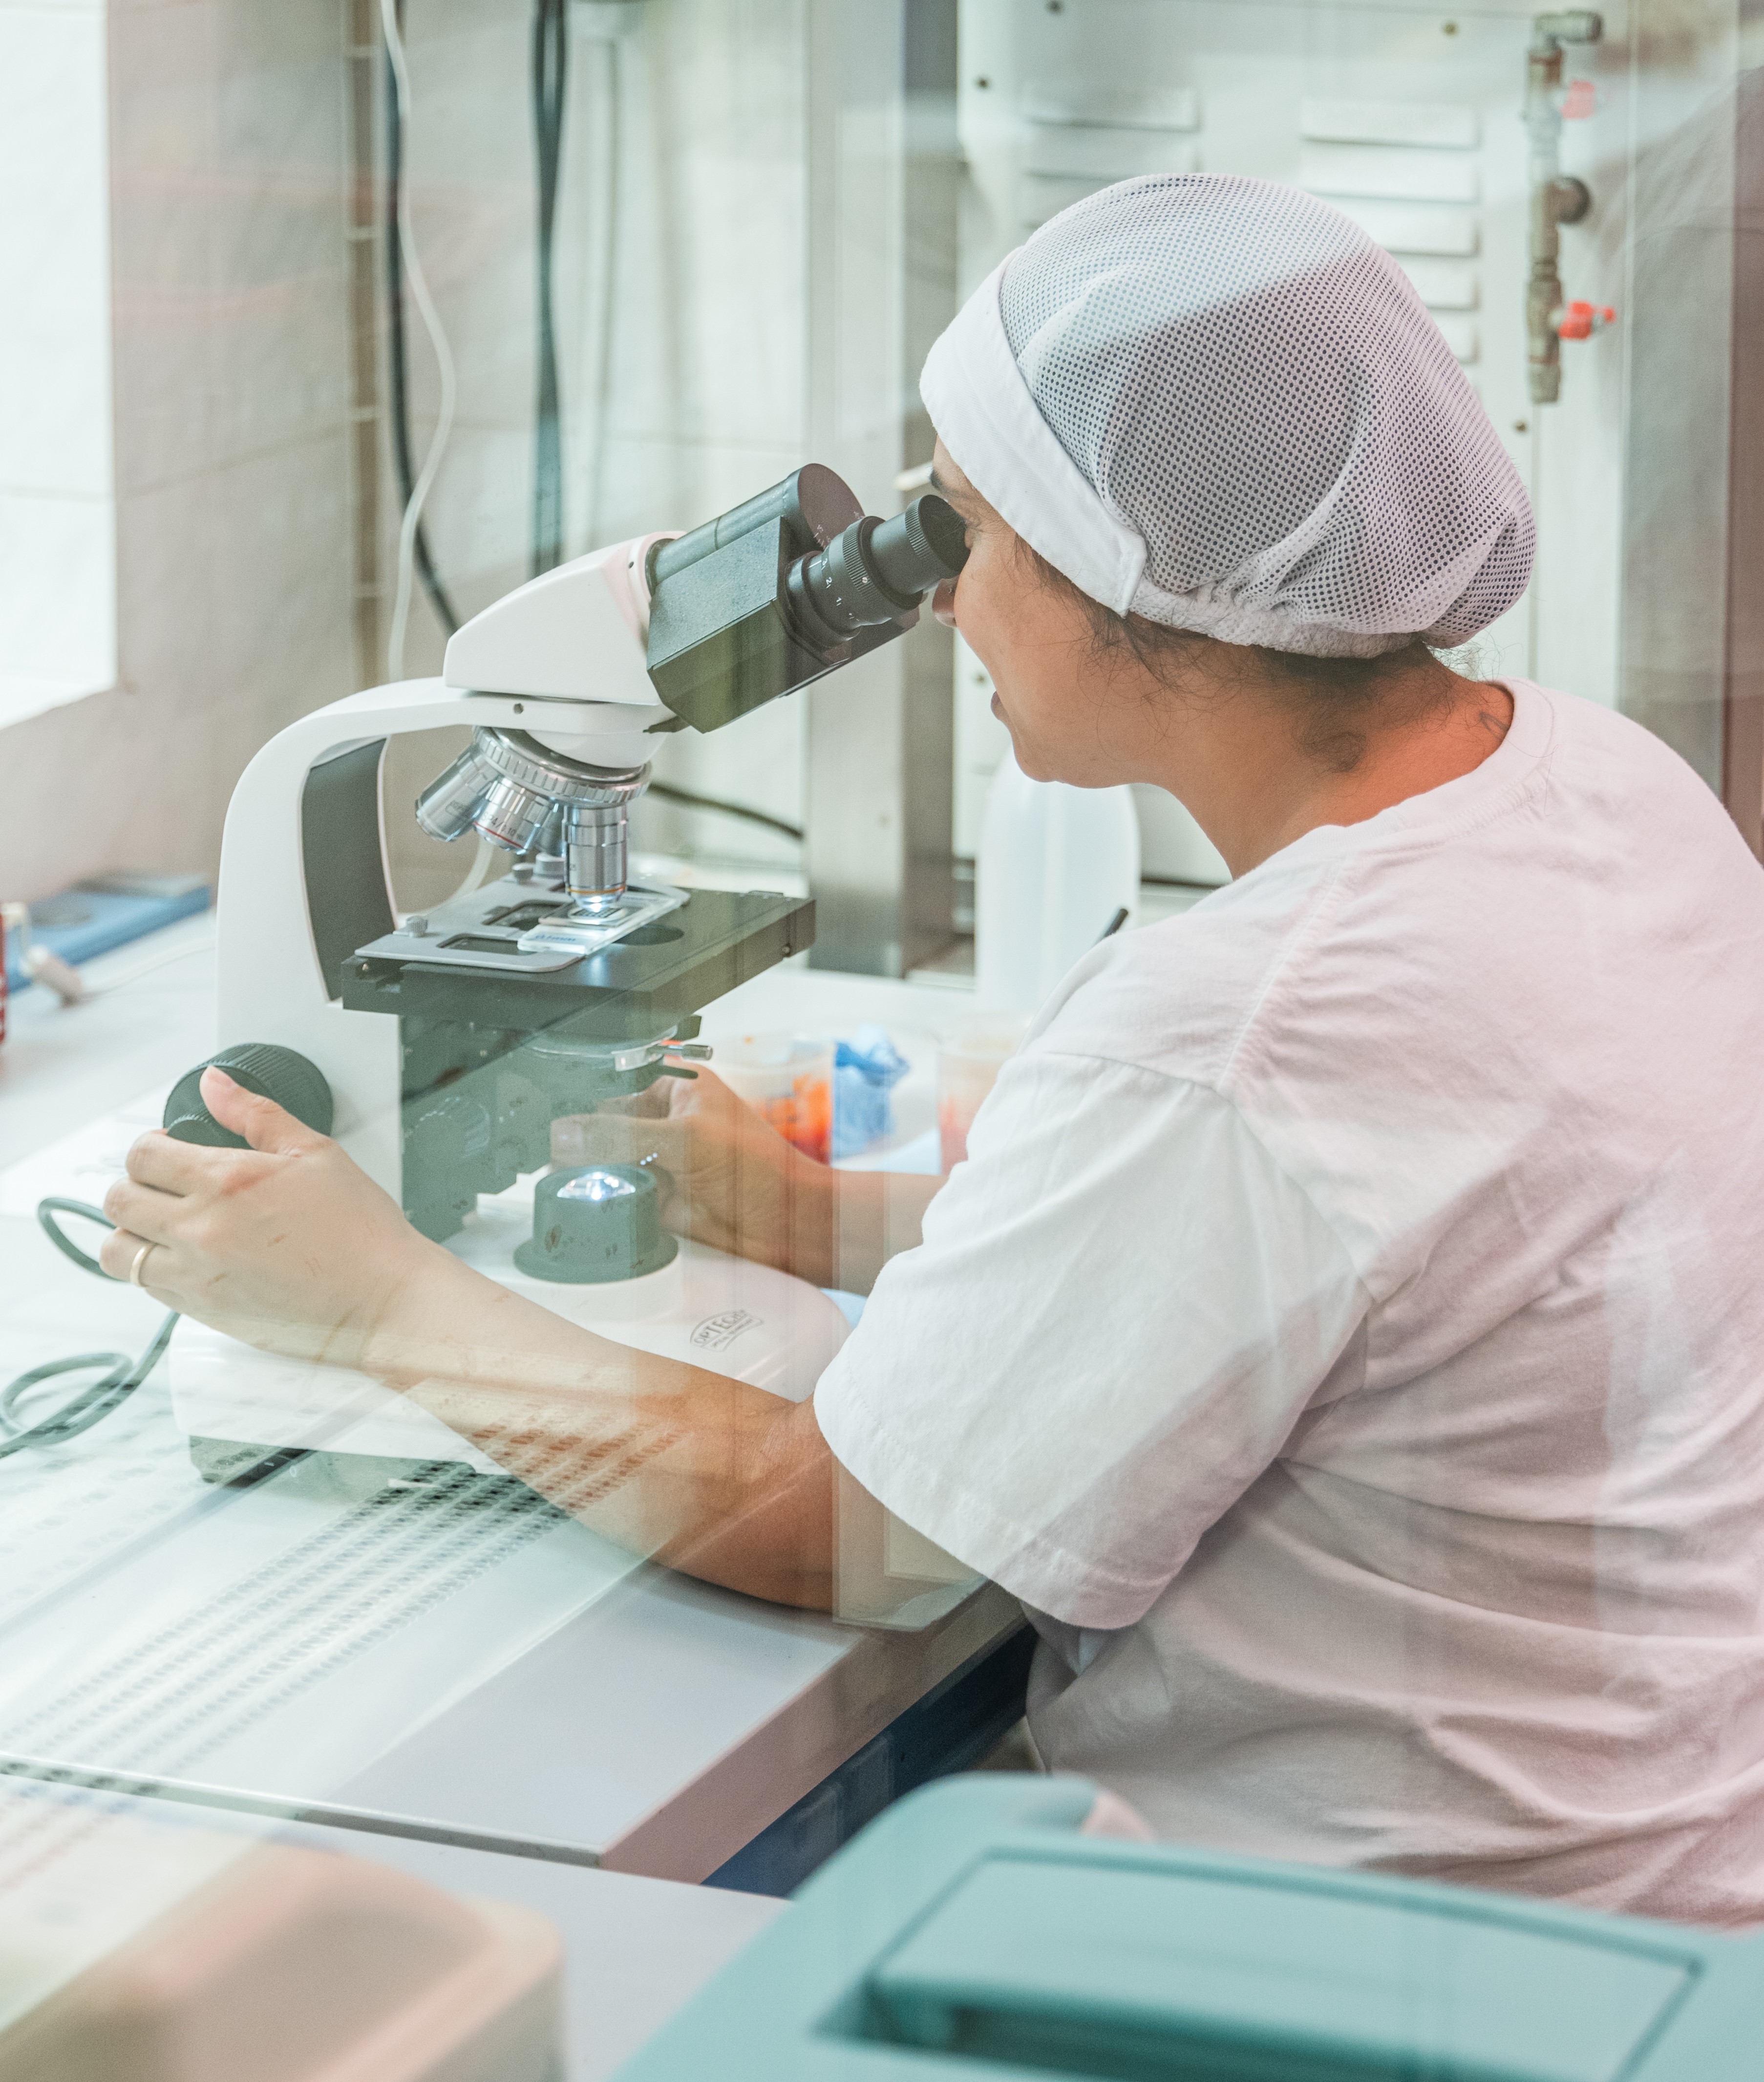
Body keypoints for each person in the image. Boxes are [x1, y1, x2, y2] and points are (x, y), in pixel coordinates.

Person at [101, 176, 1764, 1924]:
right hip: (1671, 1890)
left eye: (960, 536)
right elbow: (1323, 1268)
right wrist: (822, 1220)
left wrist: (373, 1303)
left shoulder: (1238, 1035)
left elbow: (840, 1534)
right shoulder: (1594, 775)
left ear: (1127, 574)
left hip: (1385, 1958)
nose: (939, 605)